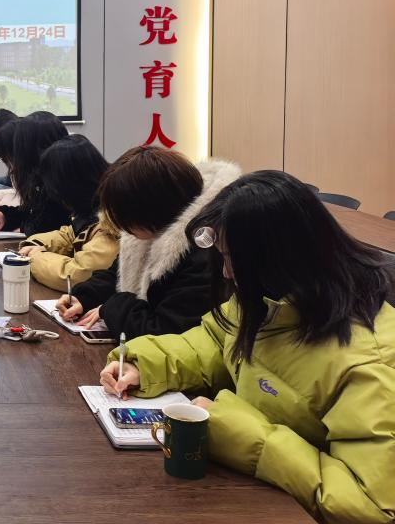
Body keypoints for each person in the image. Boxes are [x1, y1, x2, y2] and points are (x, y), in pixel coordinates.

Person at [100, 171, 395, 524]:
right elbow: (213, 342)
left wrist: (236, 431)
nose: (226, 273)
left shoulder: (371, 364)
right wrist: (146, 364)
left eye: (231, 258)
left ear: (275, 258)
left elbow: (370, 506)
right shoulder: (270, 301)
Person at [57, 146, 241, 338]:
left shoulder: (204, 251)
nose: (120, 225)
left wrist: (111, 307)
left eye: (124, 216)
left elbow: (164, 331)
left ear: (150, 210)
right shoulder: (152, 229)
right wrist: (84, 297)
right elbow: (117, 273)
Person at [18, 134, 119, 292]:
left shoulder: (112, 221)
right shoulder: (92, 208)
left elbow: (79, 275)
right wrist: (34, 244)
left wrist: (35, 258)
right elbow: (71, 235)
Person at [0, 113, 71, 235]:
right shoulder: (42, 173)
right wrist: (5, 217)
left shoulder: (60, 175)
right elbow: (32, 211)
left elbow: (47, 224)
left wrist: (24, 227)